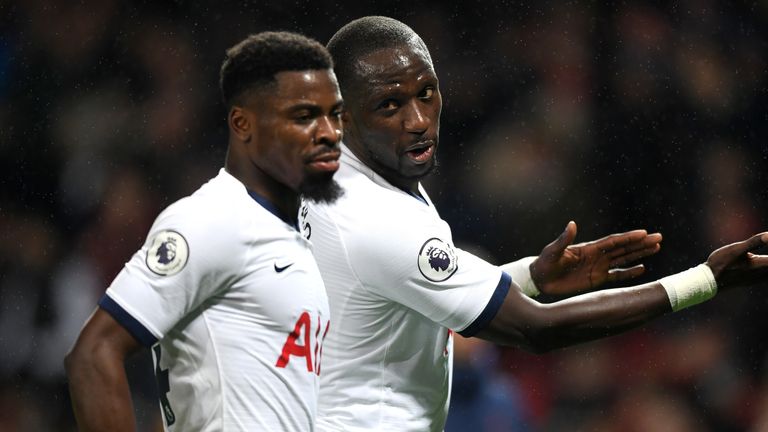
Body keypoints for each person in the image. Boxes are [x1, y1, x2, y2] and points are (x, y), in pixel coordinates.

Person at [300, 16, 768, 432]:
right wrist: (704, 281)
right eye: (389, 105)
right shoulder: (376, 218)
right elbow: (536, 330)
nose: (419, 120)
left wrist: (531, 276)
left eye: (426, 93)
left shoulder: (341, 177)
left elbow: (399, 295)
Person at [65, 31, 344, 431]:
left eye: (335, 114)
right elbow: (93, 353)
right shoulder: (212, 220)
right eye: (303, 116)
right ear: (243, 123)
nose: (328, 132)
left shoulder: (295, 236)